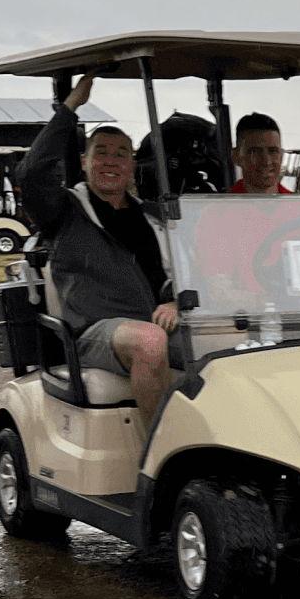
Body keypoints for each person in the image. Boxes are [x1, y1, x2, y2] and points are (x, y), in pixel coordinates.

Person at [20, 74, 181, 431]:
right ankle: (159, 461)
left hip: (156, 321)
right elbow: (31, 174)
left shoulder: (151, 216)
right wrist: (71, 106)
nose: (111, 161)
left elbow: (179, 272)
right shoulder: (64, 210)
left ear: (132, 165)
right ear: (84, 161)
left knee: (234, 343)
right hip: (96, 333)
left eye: (121, 154)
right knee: (150, 341)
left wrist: (175, 303)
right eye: (102, 153)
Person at [232, 113, 289, 194]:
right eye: (254, 151)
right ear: (236, 156)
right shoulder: (220, 206)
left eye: (273, 151)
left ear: (282, 155)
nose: (266, 161)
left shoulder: (298, 205)